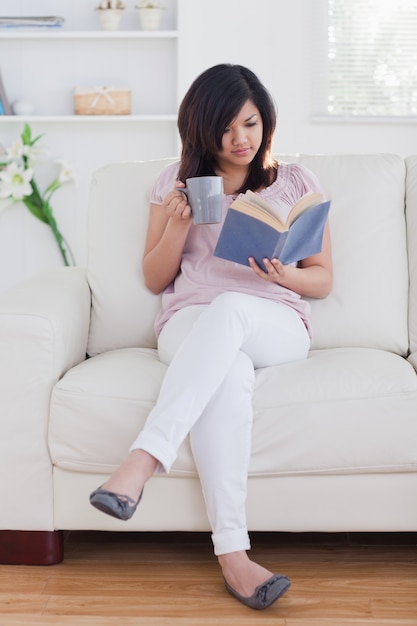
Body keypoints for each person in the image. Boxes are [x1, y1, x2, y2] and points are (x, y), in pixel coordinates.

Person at [90, 63, 333, 610]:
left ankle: (143, 462)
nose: (241, 139)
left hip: (274, 320)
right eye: (226, 130)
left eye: (250, 123)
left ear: (265, 121)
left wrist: (282, 274)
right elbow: (155, 278)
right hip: (190, 324)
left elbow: (322, 278)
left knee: (232, 309)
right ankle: (234, 557)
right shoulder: (174, 184)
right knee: (227, 372)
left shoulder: (296, 183)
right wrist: (178, 226)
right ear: (201, 131)